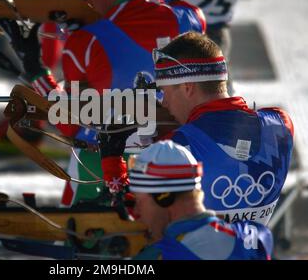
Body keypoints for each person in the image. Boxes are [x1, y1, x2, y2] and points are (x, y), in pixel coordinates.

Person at [8, 0, 206, 207]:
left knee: (78, 241)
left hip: (101, 168)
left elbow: (70, 124)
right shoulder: (189, 18)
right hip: (179, 164)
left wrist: (36, 71)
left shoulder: (85, 43)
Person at [100, 31, 294, 225]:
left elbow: (139, 219)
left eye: (165, 92)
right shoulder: (281, 126)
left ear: (187, 87)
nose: (165, 103)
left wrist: (112, 163)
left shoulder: (177, 149)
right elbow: (227, 130)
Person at [128, 140, 273, 260]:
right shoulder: (254, 236)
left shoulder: (162, 255)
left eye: (139, 201)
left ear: (164, 197)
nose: (136, 210)